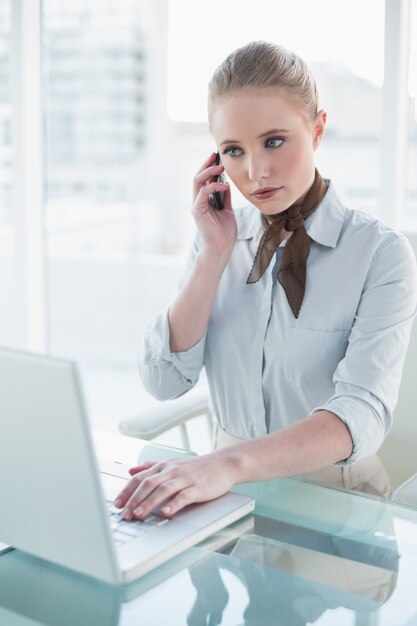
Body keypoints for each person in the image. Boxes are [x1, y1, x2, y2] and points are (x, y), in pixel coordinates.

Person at [115, 41, 417, 521]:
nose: (255, 173)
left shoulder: (381, 254)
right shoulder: (217, 242)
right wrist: (213, 254)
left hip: (338, 508)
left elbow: (362, 412)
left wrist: (228, 463)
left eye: (274, 141)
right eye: (234, 151)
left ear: (317, 129)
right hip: (221, 499)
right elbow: (163, 380)